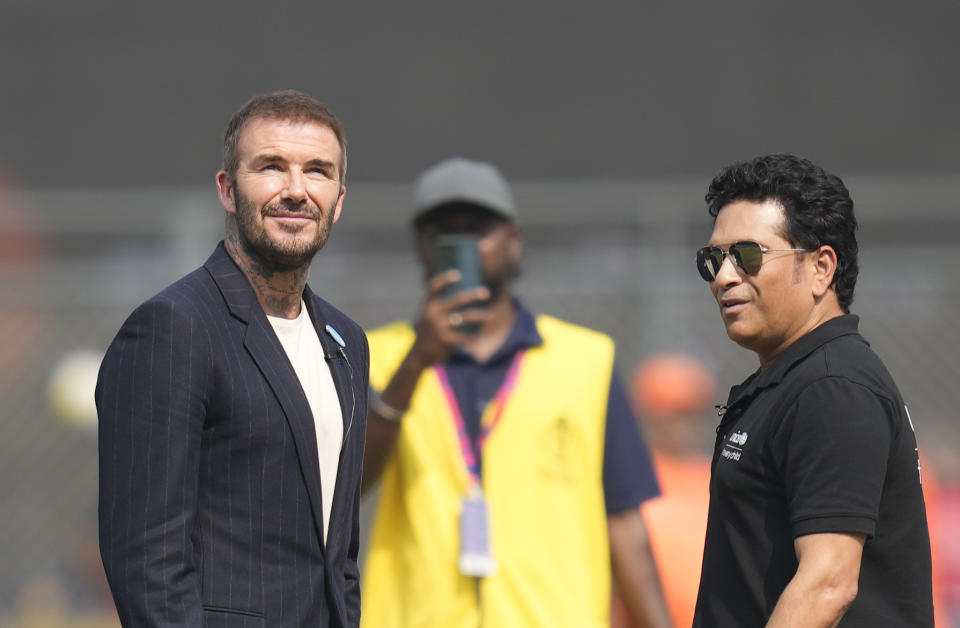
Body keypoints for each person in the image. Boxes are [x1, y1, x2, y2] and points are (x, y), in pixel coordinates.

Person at [360, 157, 672, 628]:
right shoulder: (378, 356)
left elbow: (625, 523)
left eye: (478, 230)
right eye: (442, 233)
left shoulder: (586, 360)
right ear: (421, 247)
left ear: (514, 241)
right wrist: (417, 362)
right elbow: (347, 486)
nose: (461, 245)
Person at [96, 90, 368, 627]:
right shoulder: (173, 329)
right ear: (227, 189)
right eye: (271, 166)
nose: (296, 190)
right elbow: (146, 556)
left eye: (317, 171)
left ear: (338, 198)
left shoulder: (347, 341)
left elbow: (340, 555)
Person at [691, 153, 934, 626]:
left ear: (822, 268)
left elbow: (828, 584)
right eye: (712, 260)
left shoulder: (832, 387)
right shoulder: (796, 380)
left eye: (746, 255)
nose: (724, 277)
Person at [611, 353, 715, 628]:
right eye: (671, 412)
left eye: (691, 412)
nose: (683, 425)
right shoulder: (632, 480)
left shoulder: (714, 477)